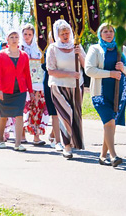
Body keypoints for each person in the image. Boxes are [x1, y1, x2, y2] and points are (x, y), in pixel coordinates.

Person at [85, 24, 126, 167]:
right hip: (100, 93)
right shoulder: (95, 49)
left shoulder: (122, 49)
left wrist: (123, 68)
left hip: (119, 93)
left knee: (111, 126)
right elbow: (89, 70)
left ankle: (102, 156)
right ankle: (113, 156)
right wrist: (110, 74)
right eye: (105, 31)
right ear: (100, 34)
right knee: (109, 122)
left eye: (111, 31)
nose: (108, 34)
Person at [46, 19, 86, 159]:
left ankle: (74, 143)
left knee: (75, 115)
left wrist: (79, 54)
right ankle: (67, 146)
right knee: (65, 114)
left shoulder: (77, 46)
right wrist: (69, 74)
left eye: (67, 32)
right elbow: (50, 70)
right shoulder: (53, 48)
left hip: (76, 86)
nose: (65, 35)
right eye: (62, 33)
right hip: (58, 86)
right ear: (57, 34)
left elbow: (85, 65)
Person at [0, 30, 33, 152]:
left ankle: (17, 143)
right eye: (12, 37)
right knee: (4, 115)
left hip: (20, 90)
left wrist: (30, 91)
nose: (14, 39)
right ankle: (0, 138)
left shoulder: (24, 55)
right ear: (7, 39)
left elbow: (27, 74)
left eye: (16, 37)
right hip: (5, 90)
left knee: (19, 115)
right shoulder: (1, 55)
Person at [20, 23, 47, 146]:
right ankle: (21, 135)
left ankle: (36, 136)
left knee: (37, 108)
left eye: (30, 34)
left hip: (37, 83)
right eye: (25, 34)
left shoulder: (39, 48)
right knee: (24, 108)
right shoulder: (20, 48)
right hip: (23, 83)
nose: (27, 37)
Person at [42, 33, 63, 151]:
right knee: (55, 112)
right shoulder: (48, 50)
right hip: (51, 82)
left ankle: (53, 134)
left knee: (63, 111)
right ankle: (57, 141)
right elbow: (45, 66)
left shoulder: (68, 49)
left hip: (65, 82)